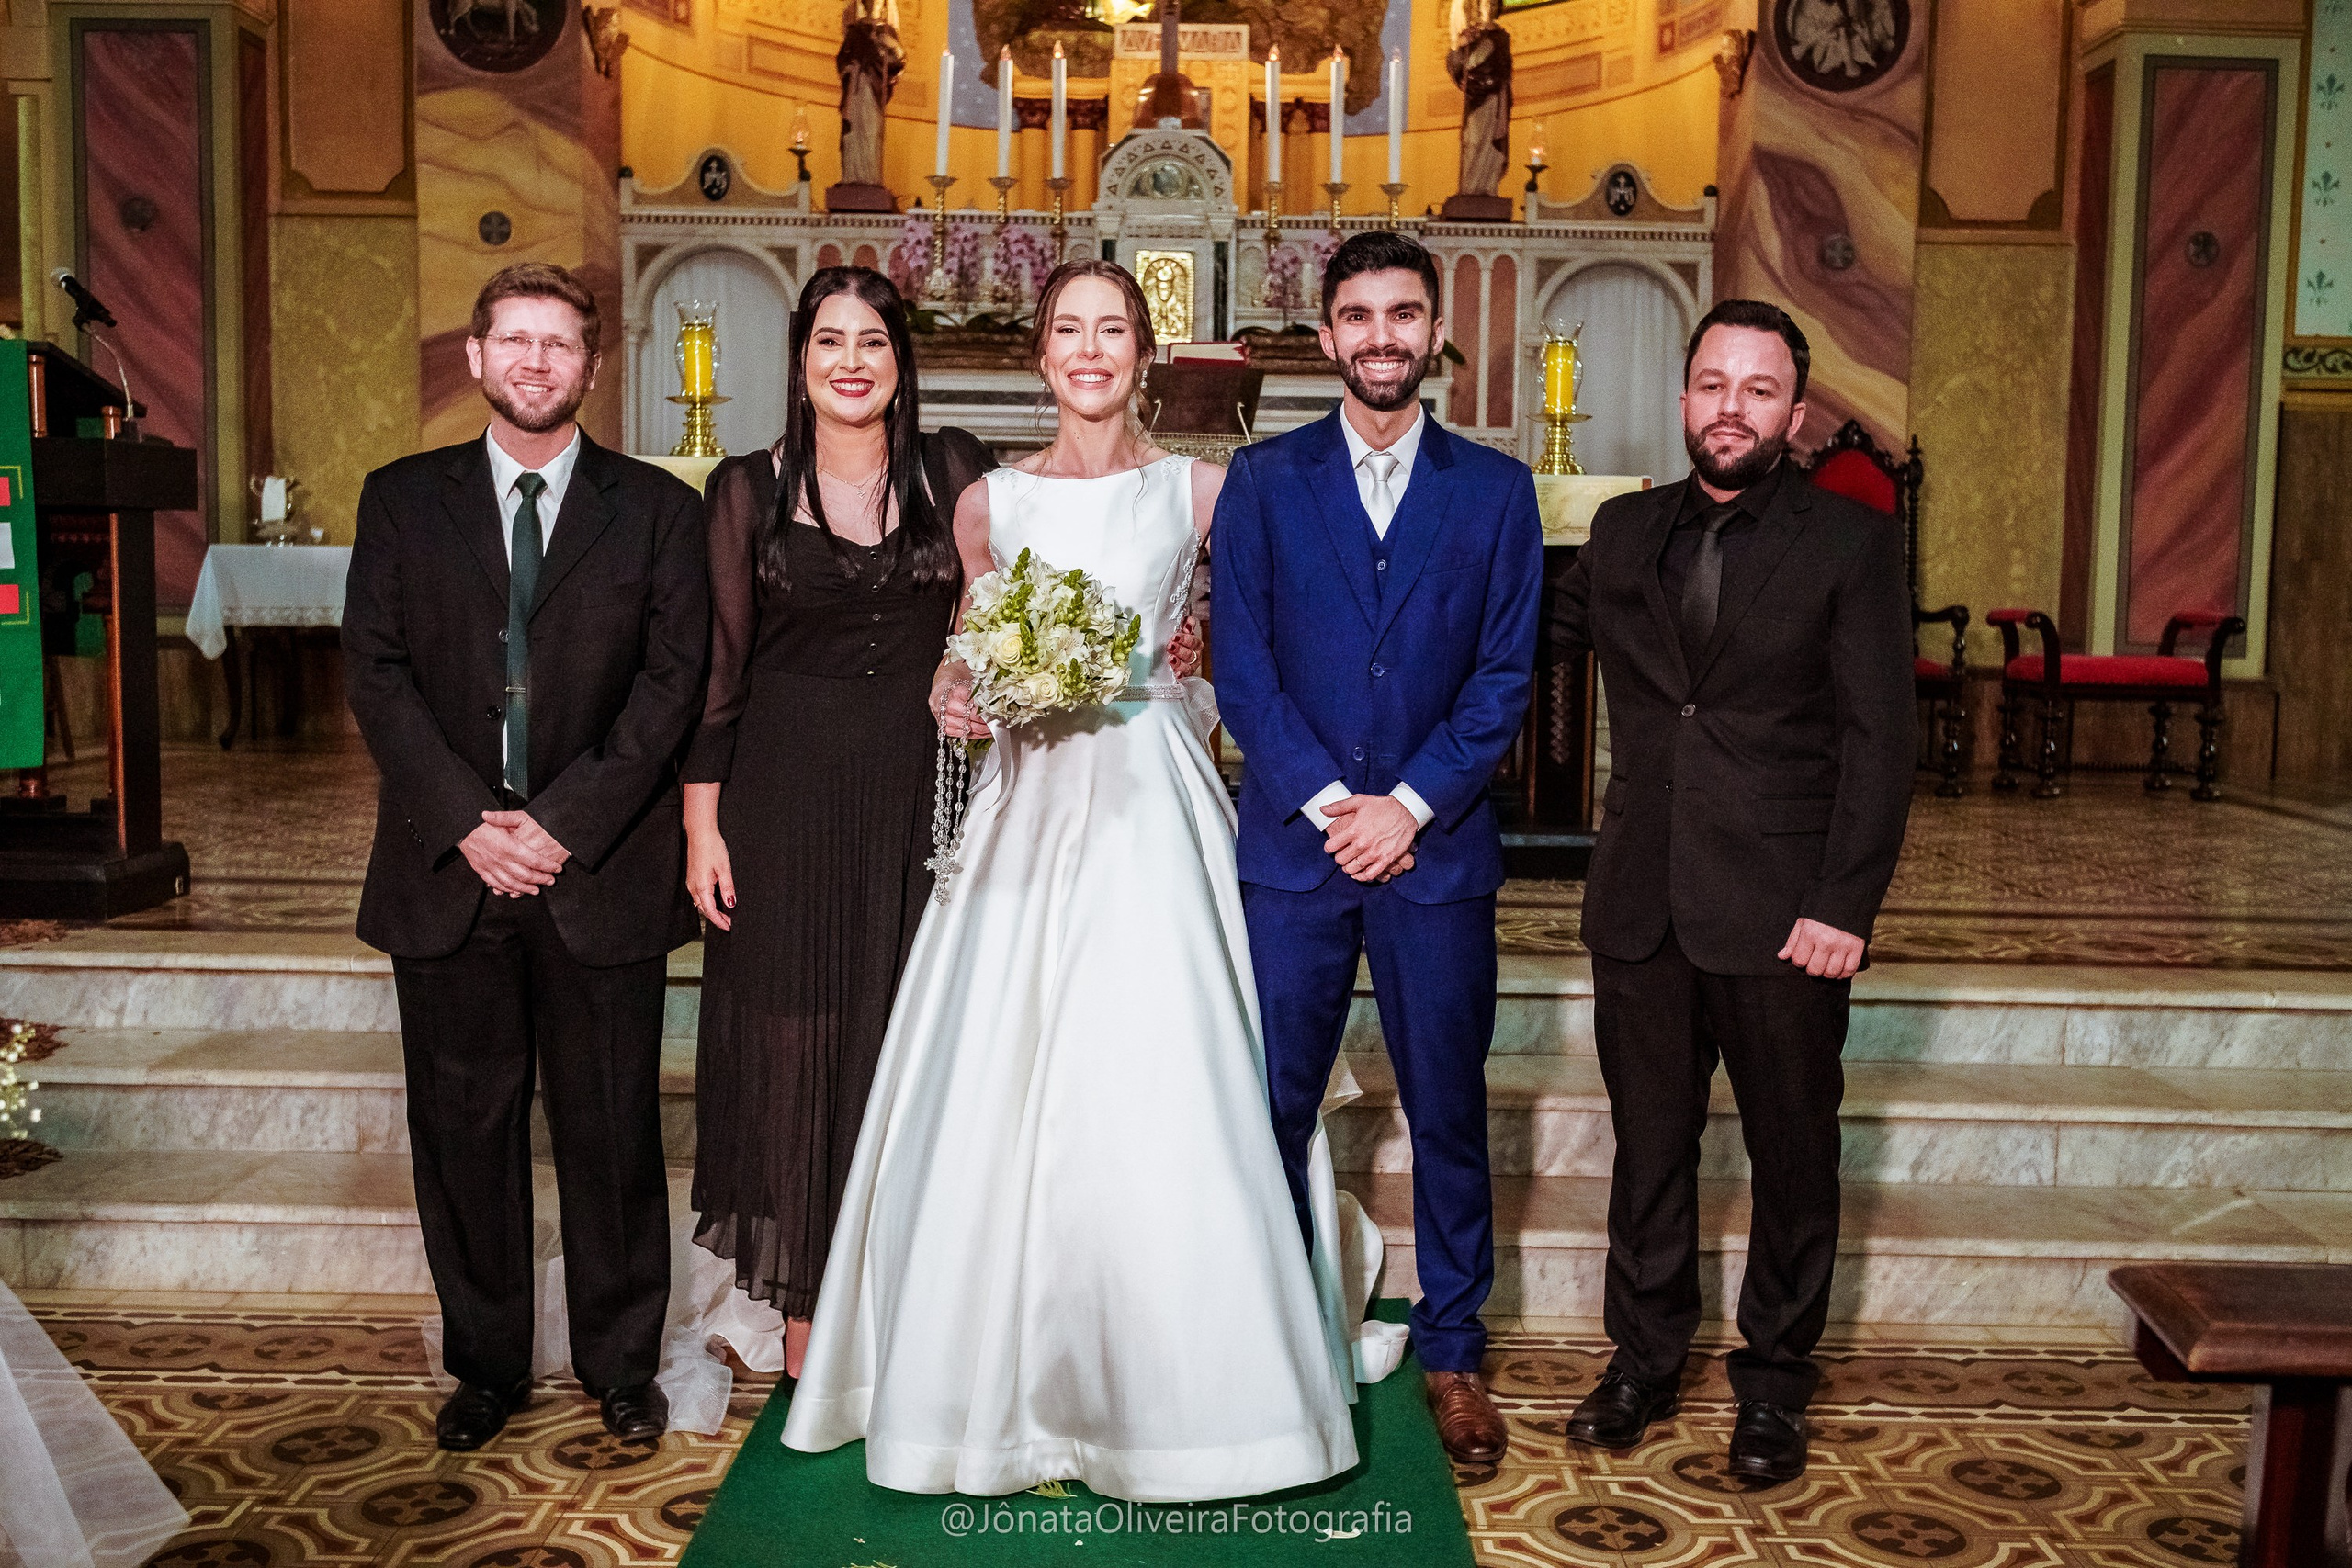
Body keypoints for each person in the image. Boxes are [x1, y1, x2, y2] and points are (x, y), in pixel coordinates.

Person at [781, 260, 1381, 1502]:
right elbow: (965, 650)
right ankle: (987, 1382)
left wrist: (1218, 671)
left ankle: (1199, 1381)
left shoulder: (1204, 490)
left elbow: (1256, 637)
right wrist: (957, 689)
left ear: (1144, 353)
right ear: (1041, 354)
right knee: (1000, 1071)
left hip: (1152, 793)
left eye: (1114, 330)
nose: (1091, 350)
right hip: (1026, 800)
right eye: (1070, 330)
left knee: (1166, 1065)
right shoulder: (987, 501)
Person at [1545, 299, 1915, 1483]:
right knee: (1649, 1150)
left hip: (1785, 910)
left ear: (1794, 414)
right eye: (1712, 384)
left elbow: (1880, 740)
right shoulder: (1622, 531)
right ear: (1683, 396)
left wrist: (1844, 905)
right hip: (1641, 900)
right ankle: (1643, 1361)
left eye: (1758, 390)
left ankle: (1773, 1383)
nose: (1730, 408)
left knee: (1792, 1153)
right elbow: (1521, 634)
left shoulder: (1849, 545)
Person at [344, 262, 709, 1451]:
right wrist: (466, 820)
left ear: (591, 365)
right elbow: (376, 672)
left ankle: (621, 1364)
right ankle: (487, 1362)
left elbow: (671, 686)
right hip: (448, 868)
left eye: (559, 344)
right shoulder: (402, 500)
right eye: (516, 340)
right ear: (476, 356)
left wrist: (563, 823)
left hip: (597, 868)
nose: (536, 361)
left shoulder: (656, 511)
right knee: (463, 1132)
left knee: (611, 1132)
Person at [1212, 229, 1544, 1466]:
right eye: (1358, 316)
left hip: (1434, 857)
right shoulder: (1263, 480)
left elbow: (1503, 677)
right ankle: (1266, 1343)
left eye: (1403, 314)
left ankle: (1453, 1348)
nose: (1381, 336)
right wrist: (1328, 804)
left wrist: (1406, 805)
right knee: (1271, 1104)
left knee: (1447, 1106)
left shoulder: (1496, 492)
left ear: (1434, 330)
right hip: (1294, 856)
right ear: (1326, 337)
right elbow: (1242, 668)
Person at [682, 267, 994, 1379]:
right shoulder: (746, 489)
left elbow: (997, 613)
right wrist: (702, 827)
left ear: (900, 360)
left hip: (917, 800)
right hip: (781, 802)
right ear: (800, 360)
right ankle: (805, 1310)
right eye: (829, 341)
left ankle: (902, 1292)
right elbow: (718, 675)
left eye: (871, 341)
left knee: (900, 1038)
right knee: (795, 1044)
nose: (850, 362)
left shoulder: (954, 469)